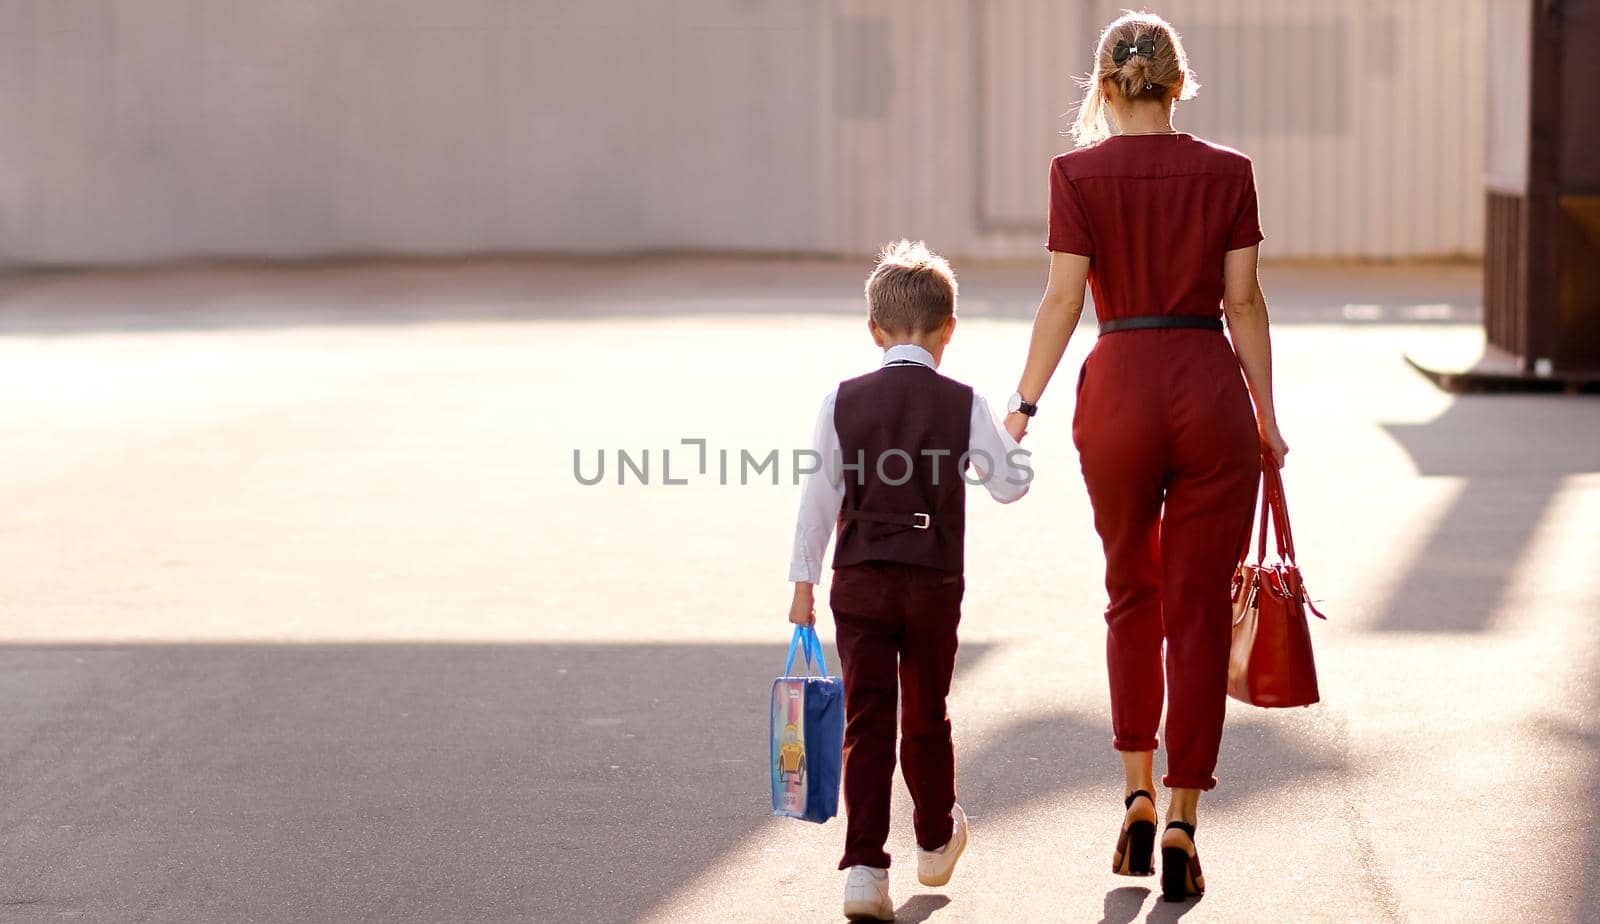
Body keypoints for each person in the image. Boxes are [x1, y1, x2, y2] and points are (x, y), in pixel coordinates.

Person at [1001, 11, 1289, 903]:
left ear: (1103, 85)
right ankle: (1181, 819)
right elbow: (1244, 304)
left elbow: (1061, 299)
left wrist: (1022, 404)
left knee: (1131, 590)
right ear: (1178, 82)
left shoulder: (1075, 174)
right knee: (1197, 609)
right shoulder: (1229, 172)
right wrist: (1267, 419)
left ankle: (1131, 789)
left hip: (1119, 383)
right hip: (1208, 389)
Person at [786, 240, 1031, 921]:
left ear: (874, 330)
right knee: (927, 710)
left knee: (868, 720)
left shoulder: (842, 400)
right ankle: (931, 840)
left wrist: (802, 585)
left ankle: (864, 868)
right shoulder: (963, 401)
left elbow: (818, 498)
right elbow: (1009, 486)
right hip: (932, 581)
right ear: (948, 329)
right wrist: (1011, 429)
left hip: (859, 579)